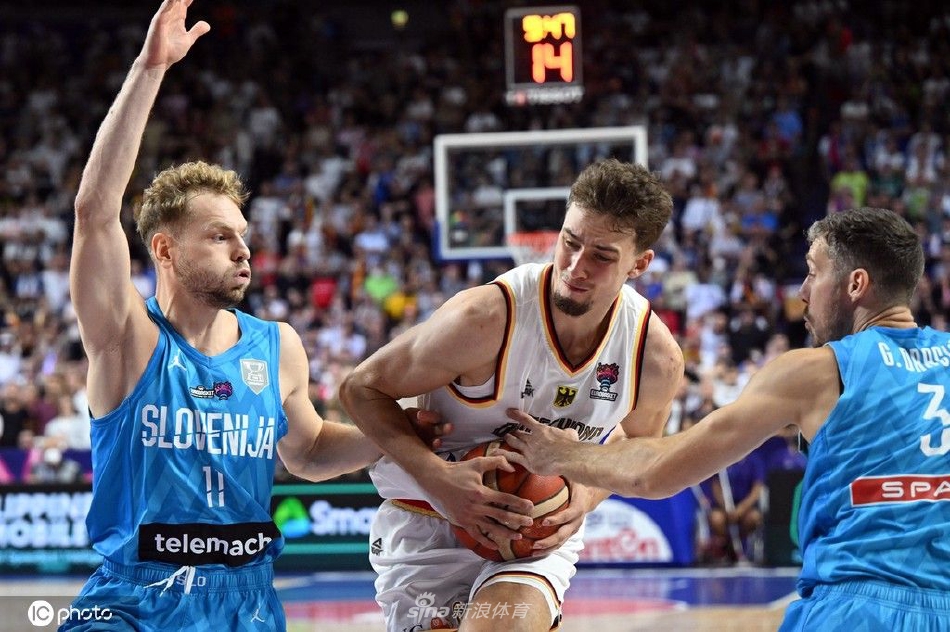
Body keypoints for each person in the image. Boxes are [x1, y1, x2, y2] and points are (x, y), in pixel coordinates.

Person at [64, 2, 440, 630]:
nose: (243, 250)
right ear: (165, 250)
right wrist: (150, 70)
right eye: (219, 236)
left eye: (243, 235)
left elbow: (309, 451)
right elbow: (95, 212)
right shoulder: (127, 337)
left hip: (248, 603)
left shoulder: (278, 345)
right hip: (136, 600)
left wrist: (399, 430)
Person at [505, 207, 950, 630]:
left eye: (814, 273)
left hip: (855, 610)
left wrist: (561, 453)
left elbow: (658, 472)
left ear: (856, 284)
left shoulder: (815, 372)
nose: (802, 291)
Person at [340, 158, 684, 631]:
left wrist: (585, 494)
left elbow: (641, 445)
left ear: (639, 264)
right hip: (426, 519)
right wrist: (439, 479)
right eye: (570, 242)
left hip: (534, 529)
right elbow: (360, 388)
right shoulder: (485, 318)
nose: (575, 267)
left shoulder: (654, 356)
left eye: (602, 256)